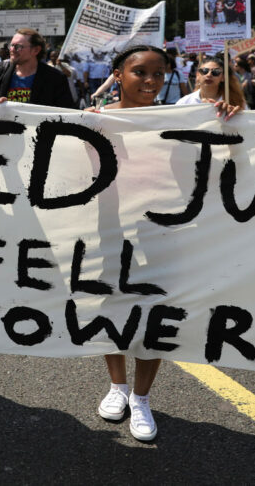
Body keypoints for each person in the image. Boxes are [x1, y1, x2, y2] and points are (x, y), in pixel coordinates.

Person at [89, 45, 239, 442]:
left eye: (159, 73)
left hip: (164, 231)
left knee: (155, 313)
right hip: (111, 231)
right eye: (140, 72)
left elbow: (230, 153)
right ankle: (117, 385)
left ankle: (141, 397)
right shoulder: (95, 120)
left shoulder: (182, 118)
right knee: (112, 307)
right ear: (118, 75)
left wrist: (229, 118)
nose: (151, 81)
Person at [0, 28, 74, 108]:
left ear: (36, 50)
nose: (12, 49)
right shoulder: (0, 70)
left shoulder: (55, 77)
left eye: (18, 47)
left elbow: (67, 112)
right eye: (11, 45)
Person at [176, 55, 246, 108]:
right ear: (197, 75)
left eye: (216, 72)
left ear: (223, 77)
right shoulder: (184, 103)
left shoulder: (237, 102)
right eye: (204, 71)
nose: (209, 75)